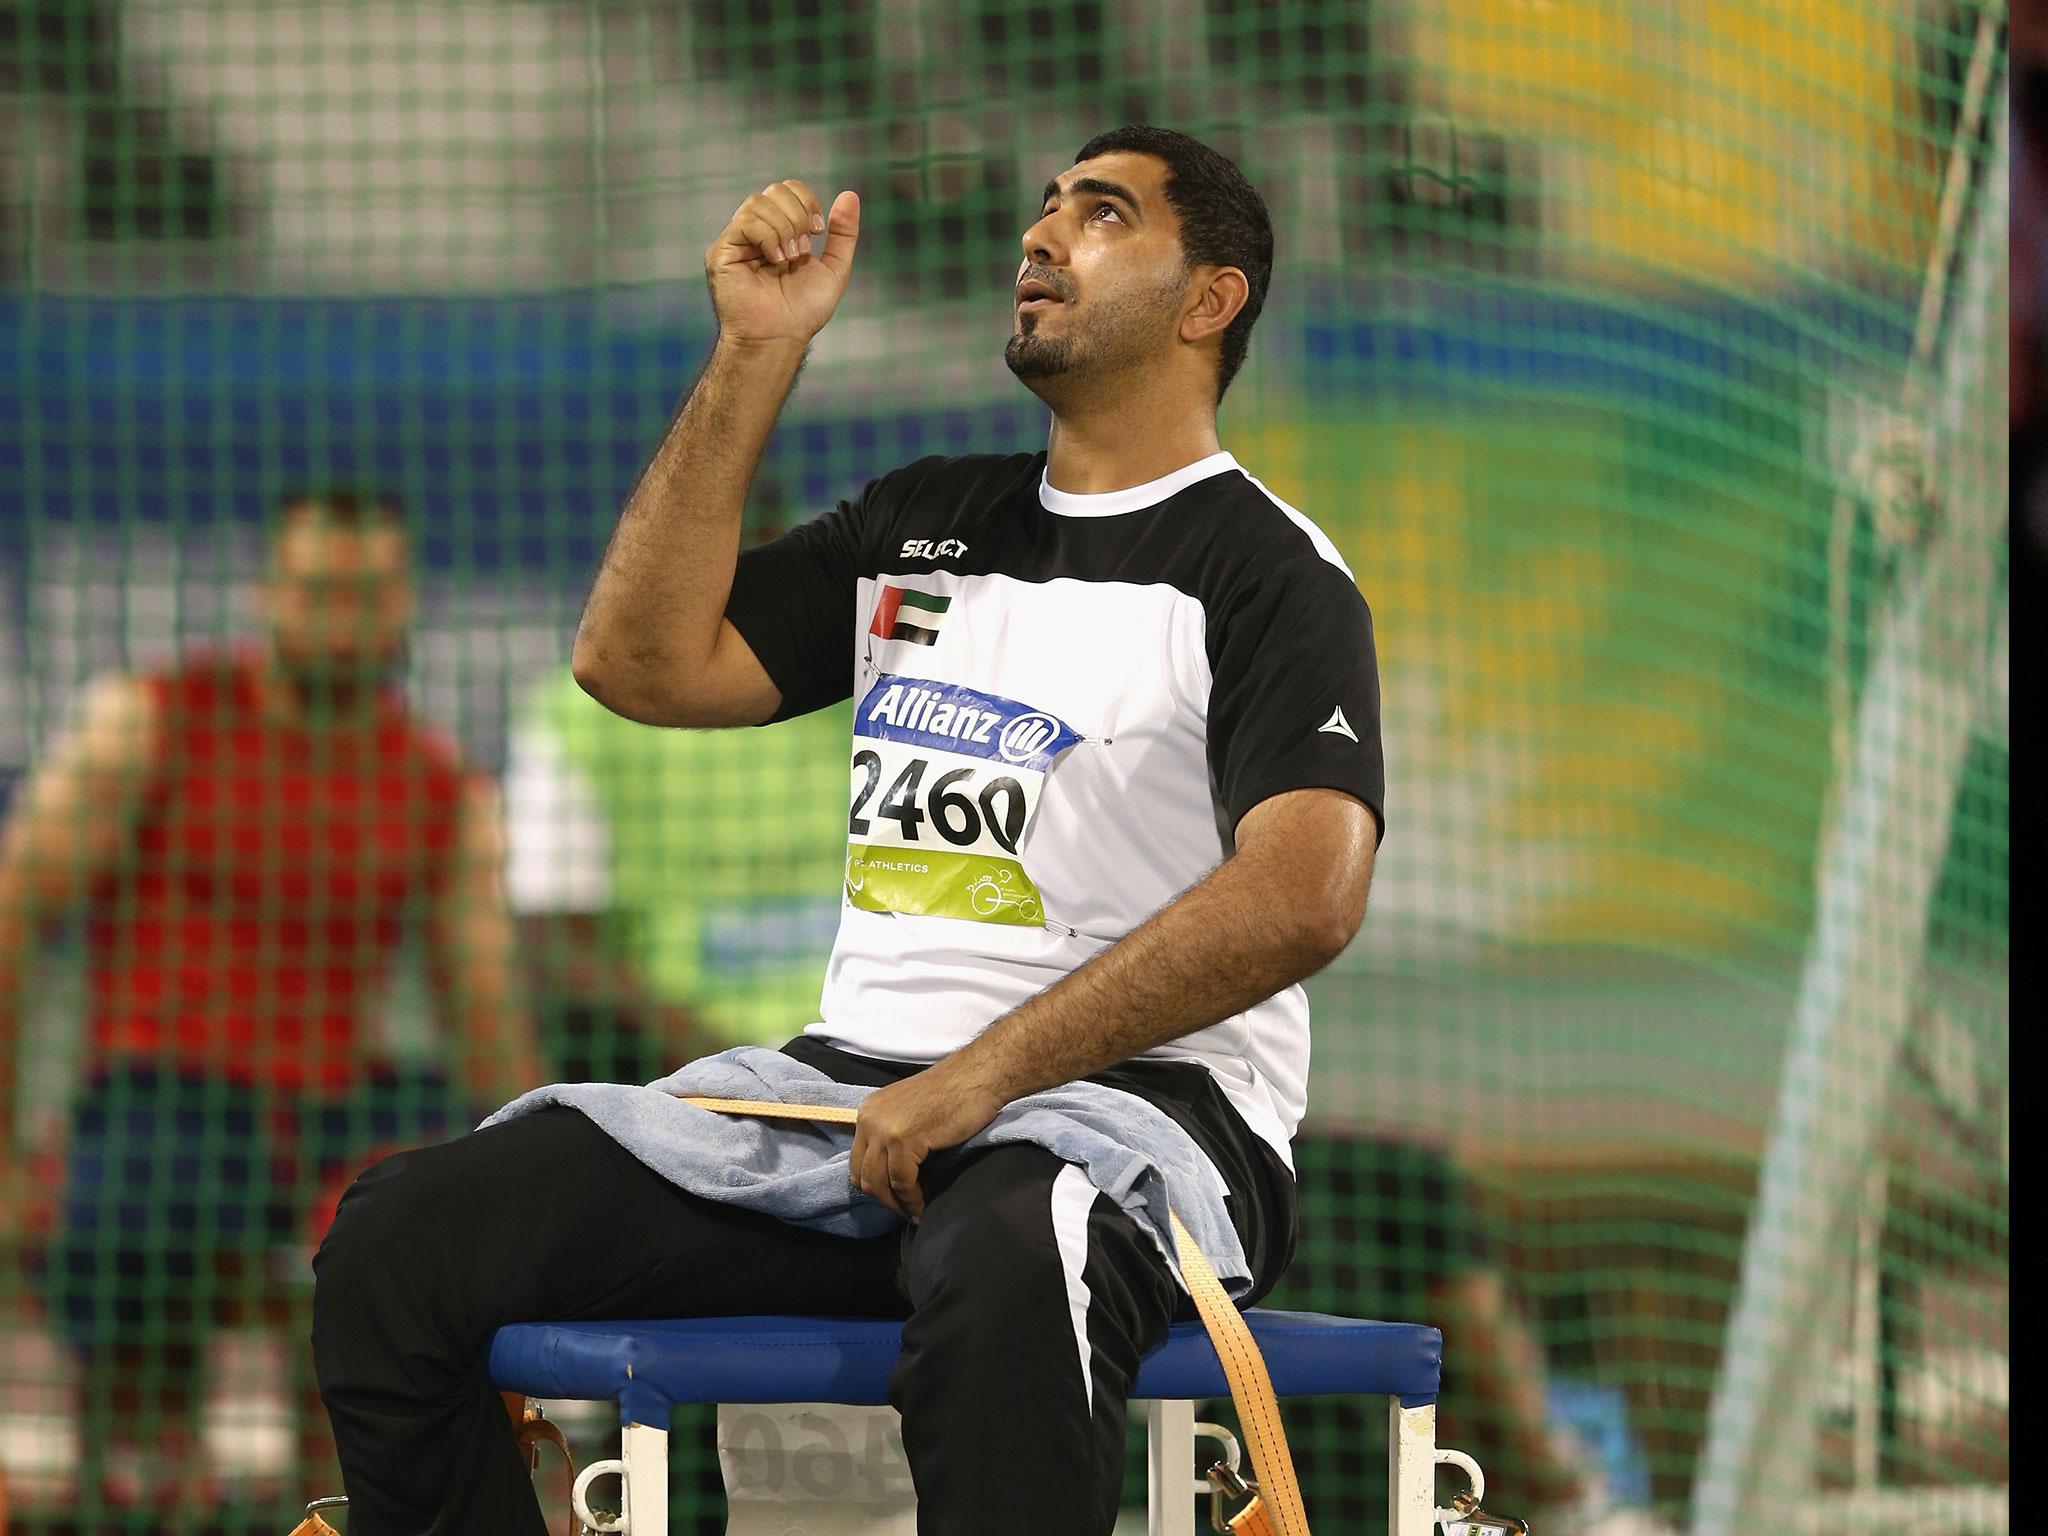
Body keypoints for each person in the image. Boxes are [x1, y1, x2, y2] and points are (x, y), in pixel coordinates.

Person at [313, 125, 1386, 1535]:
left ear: (1210, 300)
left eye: (1103, 213)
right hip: (841, 1114)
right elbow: (637, 665)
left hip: (1133, 1120)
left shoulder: (1268, 573)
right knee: (400, 1241)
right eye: (1045, 204)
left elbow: (1306, 896)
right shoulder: (923, 521)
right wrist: (756, 351)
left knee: (1013, 1249)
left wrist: (986, 1076)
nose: (1042, 236)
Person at [0, 491, 544, 1515]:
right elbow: (12, 922)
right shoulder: (150, 723)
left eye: (369, 594)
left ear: (404, 605)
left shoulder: (437, 785)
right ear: (269, 597)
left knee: (428, 1214)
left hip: (334, 1104)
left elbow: (484, 1011)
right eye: (319, 592)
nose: (343, 617)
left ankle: (353, 1502)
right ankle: (137, 1486)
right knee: (132, 1214)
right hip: (166, 1096)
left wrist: (525, 1177)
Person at [503, 664, 853, 1083]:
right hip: (670, 1079)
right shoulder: (578, 710)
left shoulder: (877, 686)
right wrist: (720, 1063)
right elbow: (556, 938)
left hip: (871, 1059)